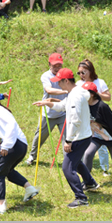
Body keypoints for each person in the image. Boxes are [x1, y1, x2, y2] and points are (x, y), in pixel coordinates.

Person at [33, 69, 101, 208]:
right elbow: (62, 106)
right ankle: (90, 183)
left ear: (66, 81)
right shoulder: (74, 93)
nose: (58, 84)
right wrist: (47, 103)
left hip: (79, 137)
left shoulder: (75, 96)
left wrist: (68, 141)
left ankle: (81, 198)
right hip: (83, 135)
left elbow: (75, 120)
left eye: (59, 82)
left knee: (67, 167)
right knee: (76, 161)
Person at [81, 82, 112, 177]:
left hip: (110, 137)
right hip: (96, 136)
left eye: (84, 92)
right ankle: (87, 180)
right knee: (88, 154)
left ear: (92, 94)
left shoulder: (102, 106)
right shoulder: (83, 105)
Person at [25, 53, 68, 165]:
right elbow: (48, 89)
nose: (57, 68)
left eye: (59, 65)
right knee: (39, 136)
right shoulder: (46, 76)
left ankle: (68, 161)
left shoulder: (65, 75)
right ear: (49, 64)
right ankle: (32, 156)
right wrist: (65, 91)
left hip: (63, 112)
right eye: (55, 65)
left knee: (67, 138)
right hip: (48, 113)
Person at [76, 59, 112, 176]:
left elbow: (108, 97)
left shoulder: (99, 82)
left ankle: (105, 169)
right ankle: (82, 168)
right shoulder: (78, 84)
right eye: (79, 73)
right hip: (84, 117)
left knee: (101, 143)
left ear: (90, 71)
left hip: (97, 118)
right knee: (82, 141)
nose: (81, 75)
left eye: (83, 72)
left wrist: (95, 92)